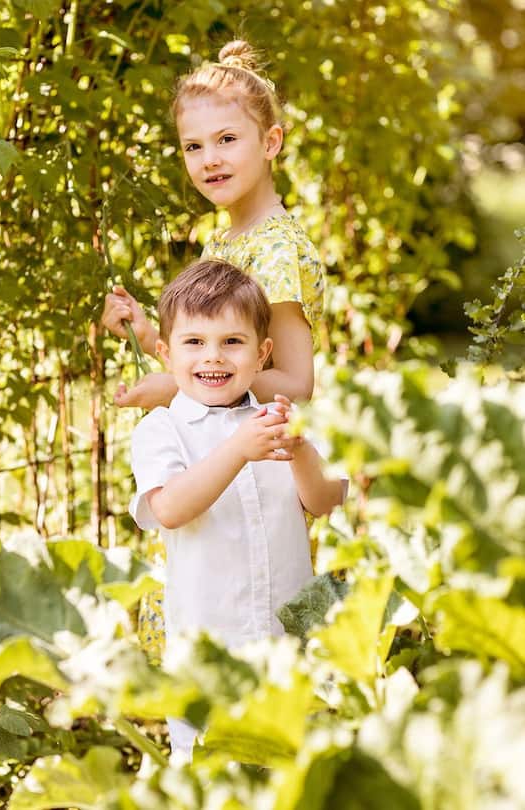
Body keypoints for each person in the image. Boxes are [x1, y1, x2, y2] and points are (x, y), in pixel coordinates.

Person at [129, 260, 345, 757]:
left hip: (284, 643)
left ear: (262, 354)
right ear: (165, 353)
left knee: (289, 764)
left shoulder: (280, 422)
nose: (214, 357)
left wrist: (302, 451)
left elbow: (326, 500)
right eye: (194, 342)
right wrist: (237, 450)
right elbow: (170, 508)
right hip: (210, 651)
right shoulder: (162, 430)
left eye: (231, 342)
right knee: (209, 768)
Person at [101, 37, 324, 410]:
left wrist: (176, 388)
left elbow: (295, 382)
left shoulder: (275, 248)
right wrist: (147, 334)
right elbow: (219, 366)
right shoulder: (224, 243)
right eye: (193, 146)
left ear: (270, 143)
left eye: (227, 139)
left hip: (264, 453)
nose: (209, 160)